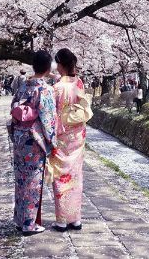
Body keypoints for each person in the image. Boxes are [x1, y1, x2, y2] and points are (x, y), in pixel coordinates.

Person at [11, 51, 56, 235]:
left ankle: (19, 219)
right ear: (47, 68)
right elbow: (48, 119)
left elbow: (13, 109)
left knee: (21, 180)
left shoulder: (23, 87)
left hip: (20, 138)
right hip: (35, 140)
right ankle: (29, 224)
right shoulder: (45, 90)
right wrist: (52, 141)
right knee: (32, 182)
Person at [51, 48, 86, 232]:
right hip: (77, 135)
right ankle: (76, 219)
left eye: (57, 63)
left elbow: (52, 114)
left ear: (61, 65)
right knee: (75, 175)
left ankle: (62, 220)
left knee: (60, 176)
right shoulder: (79, 83)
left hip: (61, 135)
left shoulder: (57, 87)